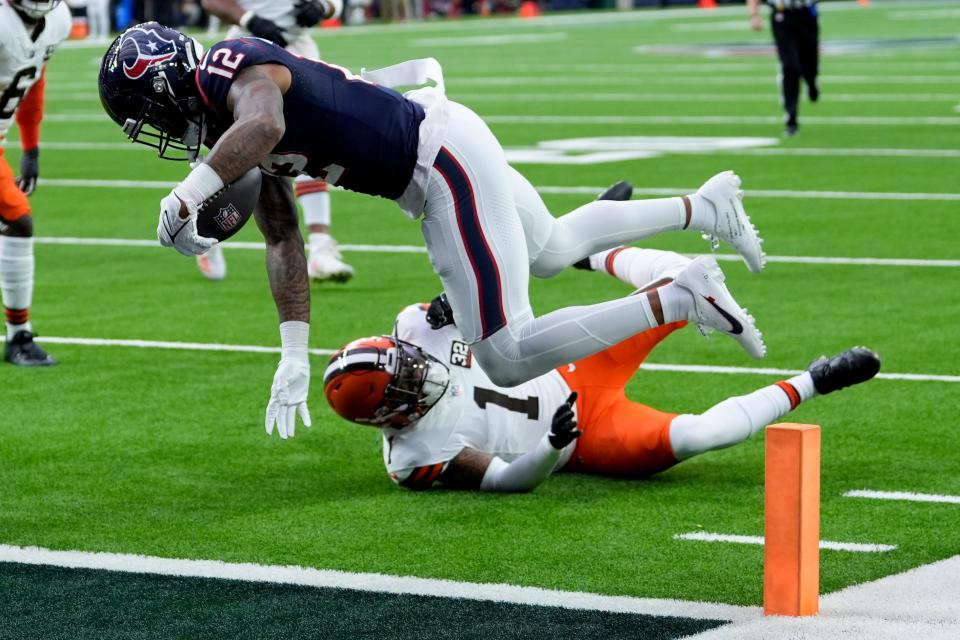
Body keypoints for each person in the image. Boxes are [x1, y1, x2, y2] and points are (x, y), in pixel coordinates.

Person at [98, 24, 767, 439]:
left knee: (504, 352)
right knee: (555, 249)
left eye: (145, 115)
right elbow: (282, 240)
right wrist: (294, 352)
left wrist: (190, 191)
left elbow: (267, 124)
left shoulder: (230, 71)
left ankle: (680, 295)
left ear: (161, 85)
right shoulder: (230, 123)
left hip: (435, 162)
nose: (156, 132)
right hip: (444, 137)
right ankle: (705, 208)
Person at [324, 246, 881, 491]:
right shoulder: (415, 458)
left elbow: (473, 286)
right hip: (586, 438)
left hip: (562, 362)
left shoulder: (416, 327)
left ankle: (590, 251)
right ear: (389, 415)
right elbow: (505, 481)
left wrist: (457, 300)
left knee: (684, 284)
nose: (418, 369)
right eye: (405, 382)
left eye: (407, 362)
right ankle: (817, 379)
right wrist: (549, 447)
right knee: (701, 434)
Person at [195, 0, 354, 282]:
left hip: (298, 51)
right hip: (246, 54)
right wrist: (249, 19)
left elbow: (333, 3)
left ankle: (320, 247)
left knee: (314, 143)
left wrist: (323, 8)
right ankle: (204, 229)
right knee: (235, 151)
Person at [0, 0, 71, 366]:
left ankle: (18, 336)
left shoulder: (58, 20)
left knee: (16, 219)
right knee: (17, 216)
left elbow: (34, 77)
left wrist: (30, 147)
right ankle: (18, 336)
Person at [748, 0, 821, 137]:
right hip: (782, 14)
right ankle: (791, 118)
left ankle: (811, 81)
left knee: (810, 63)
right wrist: (754, 14)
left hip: (807, 13)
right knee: (789, 66)